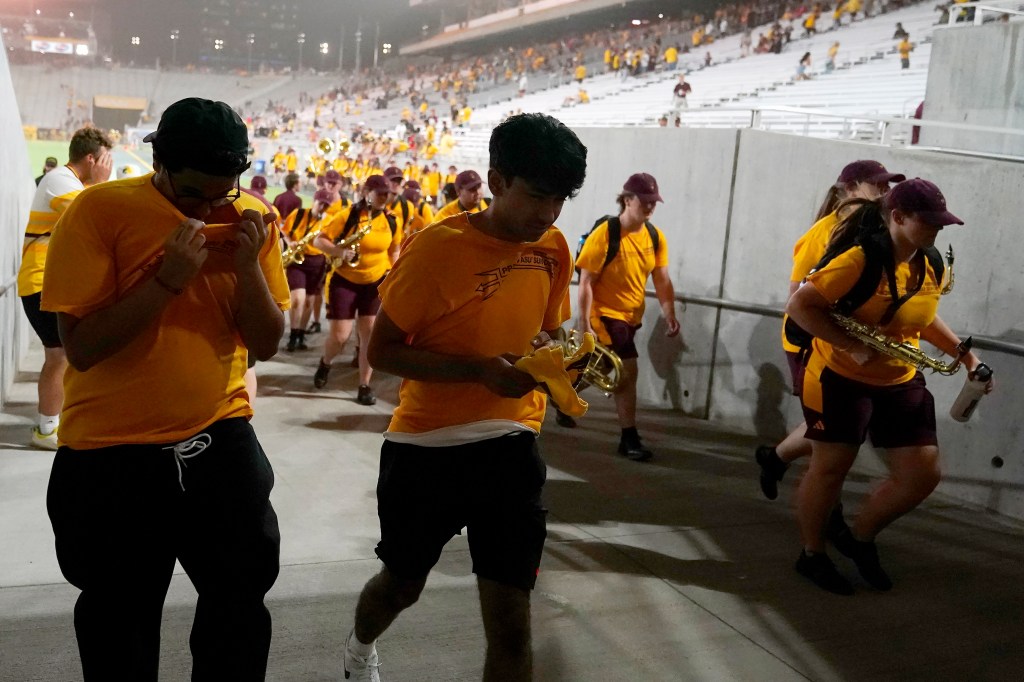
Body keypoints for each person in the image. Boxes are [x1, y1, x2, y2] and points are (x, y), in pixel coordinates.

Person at [41, 97, 288, 679]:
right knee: (118, 624)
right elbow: (83, 346)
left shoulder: (252, 216)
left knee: (240, 613)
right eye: (193, 195)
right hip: (109, 457)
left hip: (219, 439)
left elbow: (267, 343)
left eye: (222, 193)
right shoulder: (99, 212)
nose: (208, 209)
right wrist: (167, 281)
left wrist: (249, 266)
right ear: (161, 165)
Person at [341, 112, 587, 682]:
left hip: (511, 445)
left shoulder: (551, 247)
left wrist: (556, 354)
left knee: (511, 626)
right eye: (538, 196)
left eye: (561, 200)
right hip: (424, 447)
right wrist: (479, 370)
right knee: (401, 584)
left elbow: (549, 328)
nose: (549, 214)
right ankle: (358, 648)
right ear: (497, 182)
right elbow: (384, 352)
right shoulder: (436, 248)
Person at [786, 178, 991, 595]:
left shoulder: (929, 261)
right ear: (897, 218)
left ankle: (860, 540)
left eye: (941, 223)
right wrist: (849, 344)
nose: (937, 230)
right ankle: (812, 554)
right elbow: (800, 305)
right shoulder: (859, 260)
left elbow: (923, 317)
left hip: (899, 377)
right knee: (829, 469)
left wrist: (966, 356)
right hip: (838, 377)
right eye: (929, 222)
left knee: (921, 474)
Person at [756, 160, 906, 500]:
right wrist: (832, 335)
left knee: (833, 428)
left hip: (837, 340)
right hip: (809, 341)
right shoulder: (824, 230)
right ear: (850, 187)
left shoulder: (874, 230)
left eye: (887, 185)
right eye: (877, 184)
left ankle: (777, 459)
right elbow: (796, 297)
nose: (885, 191)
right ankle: (822, 511)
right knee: (831, 432)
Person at [573, 173, 680, 460]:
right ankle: (629, 438)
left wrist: (669, 312)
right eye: (644, 201)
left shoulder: (655, 237)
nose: (650, 207)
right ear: (627, 199)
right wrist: (585, 323)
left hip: (631, 316)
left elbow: (662, 278)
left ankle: (563, 396)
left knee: (604, 369)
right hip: (605, 312)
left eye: (653, 202)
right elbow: (586, 282)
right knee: (627, 369)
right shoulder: (606, 234)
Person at [17, 127, 113, 450]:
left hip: (49, 281)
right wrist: (100, 185)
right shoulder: (61, 180)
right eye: (105, 160)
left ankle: (54, 422)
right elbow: (95, 219)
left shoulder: (69, 182)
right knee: (58, 356)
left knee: (64, 355)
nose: (108, 167)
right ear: (91, 158)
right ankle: (47, 428)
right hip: (40, 282)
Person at [313, 174, 402, 405]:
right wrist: (340, 252)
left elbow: (394, 248)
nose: (384, 197)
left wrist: (393, 270)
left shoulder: (392, 220)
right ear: (366, 192)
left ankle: (364, 385)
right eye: (379, 193)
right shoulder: (348, 215)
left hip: (374, 283)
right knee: (340, 336)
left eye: (387, 194)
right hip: (345, 280)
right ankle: (326, 362)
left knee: (369, 335)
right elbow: (319, 241)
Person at [281, 188, 336, 351]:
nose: (322, 208)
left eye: (326, 206)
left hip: (317, 262)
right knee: (297, 299)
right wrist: (290, 242)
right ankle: (293, 333)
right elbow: (285, 231)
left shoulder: (330, 221)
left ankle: (300, 333)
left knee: (309, 302)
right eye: (321, 204)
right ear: (314, 201)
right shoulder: (299, 214)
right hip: (298, 259)